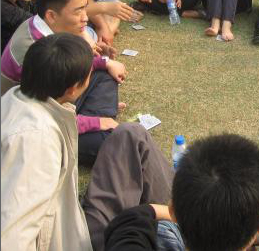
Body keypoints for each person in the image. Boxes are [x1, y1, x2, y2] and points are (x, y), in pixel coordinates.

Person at [1, 33, 174, 251]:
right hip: (79, 242)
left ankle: (181, 212)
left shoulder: (18, 98)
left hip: (70, 219)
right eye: (89, 74)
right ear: (73, 88)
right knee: (133, 137)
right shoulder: (35, 140)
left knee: (131, 135)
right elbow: (12, 235)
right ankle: (187, 220)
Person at [104, 134, 259, 251]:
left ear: (173, 210)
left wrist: (180, 213)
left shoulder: (131, 240)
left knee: (162, 231)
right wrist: (255, 232)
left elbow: (131, 220)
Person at [1, 0, 125, 165]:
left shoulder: (43, 25)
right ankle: (98, 117)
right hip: (32, 120)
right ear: (52, 15)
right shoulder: (36, 52)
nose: (85, 17)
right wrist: (97, 122)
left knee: (104, 74)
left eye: (85, 8)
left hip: (54, 99)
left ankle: (96, 114)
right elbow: (48, 114)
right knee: (111, 144)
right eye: (78, 11)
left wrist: (105, 62)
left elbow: (76, 65)